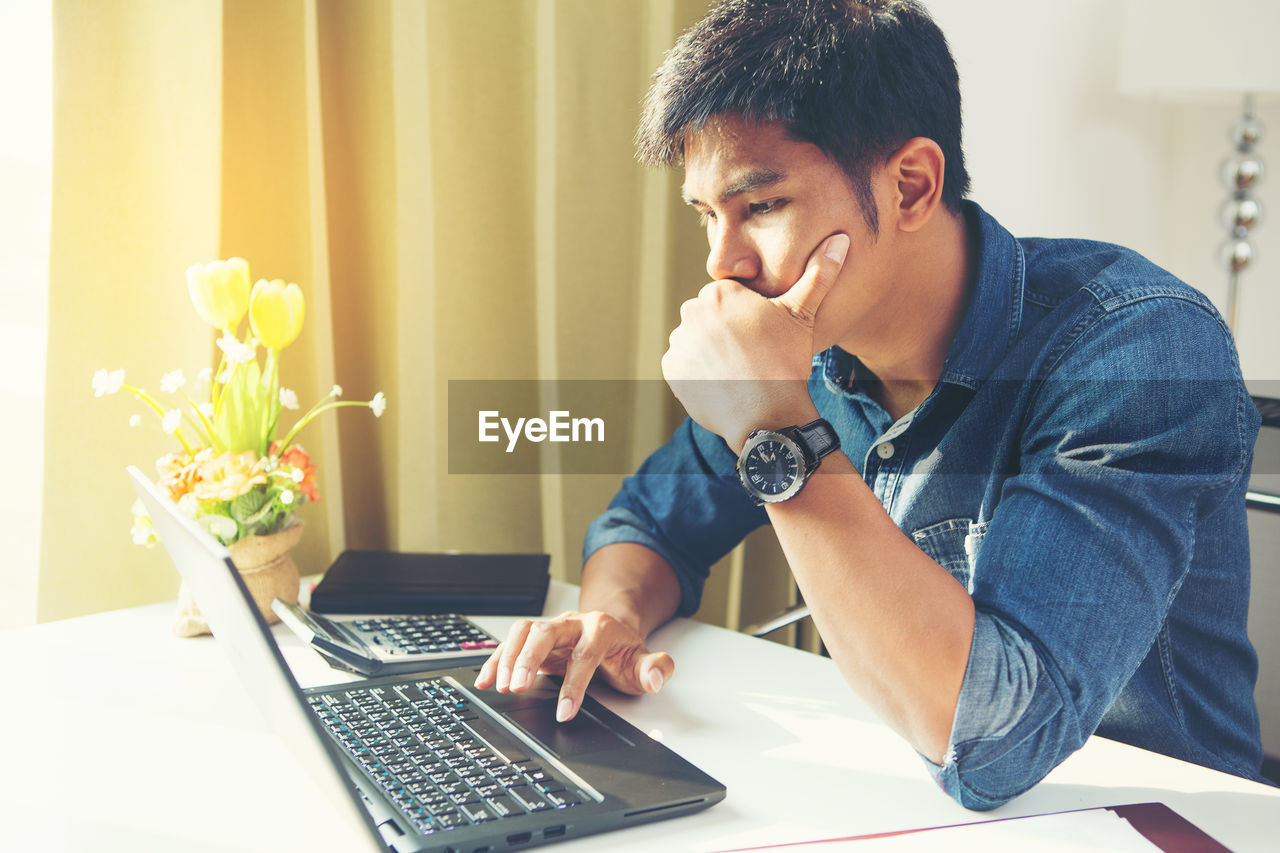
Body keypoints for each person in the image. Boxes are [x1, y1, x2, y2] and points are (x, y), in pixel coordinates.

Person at [474, 0, 1266, 808]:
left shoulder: (1139, 351)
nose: (723, 265)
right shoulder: (813, 350)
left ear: (911, 185)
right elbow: (647, 521)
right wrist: (611, 617)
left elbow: (990, 742)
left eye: (763, 206)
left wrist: (776, 429)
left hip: (1157, 820)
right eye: (708, 216)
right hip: (899, 805)